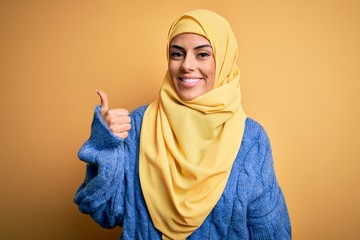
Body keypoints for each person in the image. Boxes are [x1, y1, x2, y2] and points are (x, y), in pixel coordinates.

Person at [74, 9, 291, 240]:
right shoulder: (138, 125)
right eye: (177, 54)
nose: (186, 65)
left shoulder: (251, 139)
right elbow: (104, 212)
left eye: (203, 54)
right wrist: (105, 145)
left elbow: (270, 231)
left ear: (225, 59)